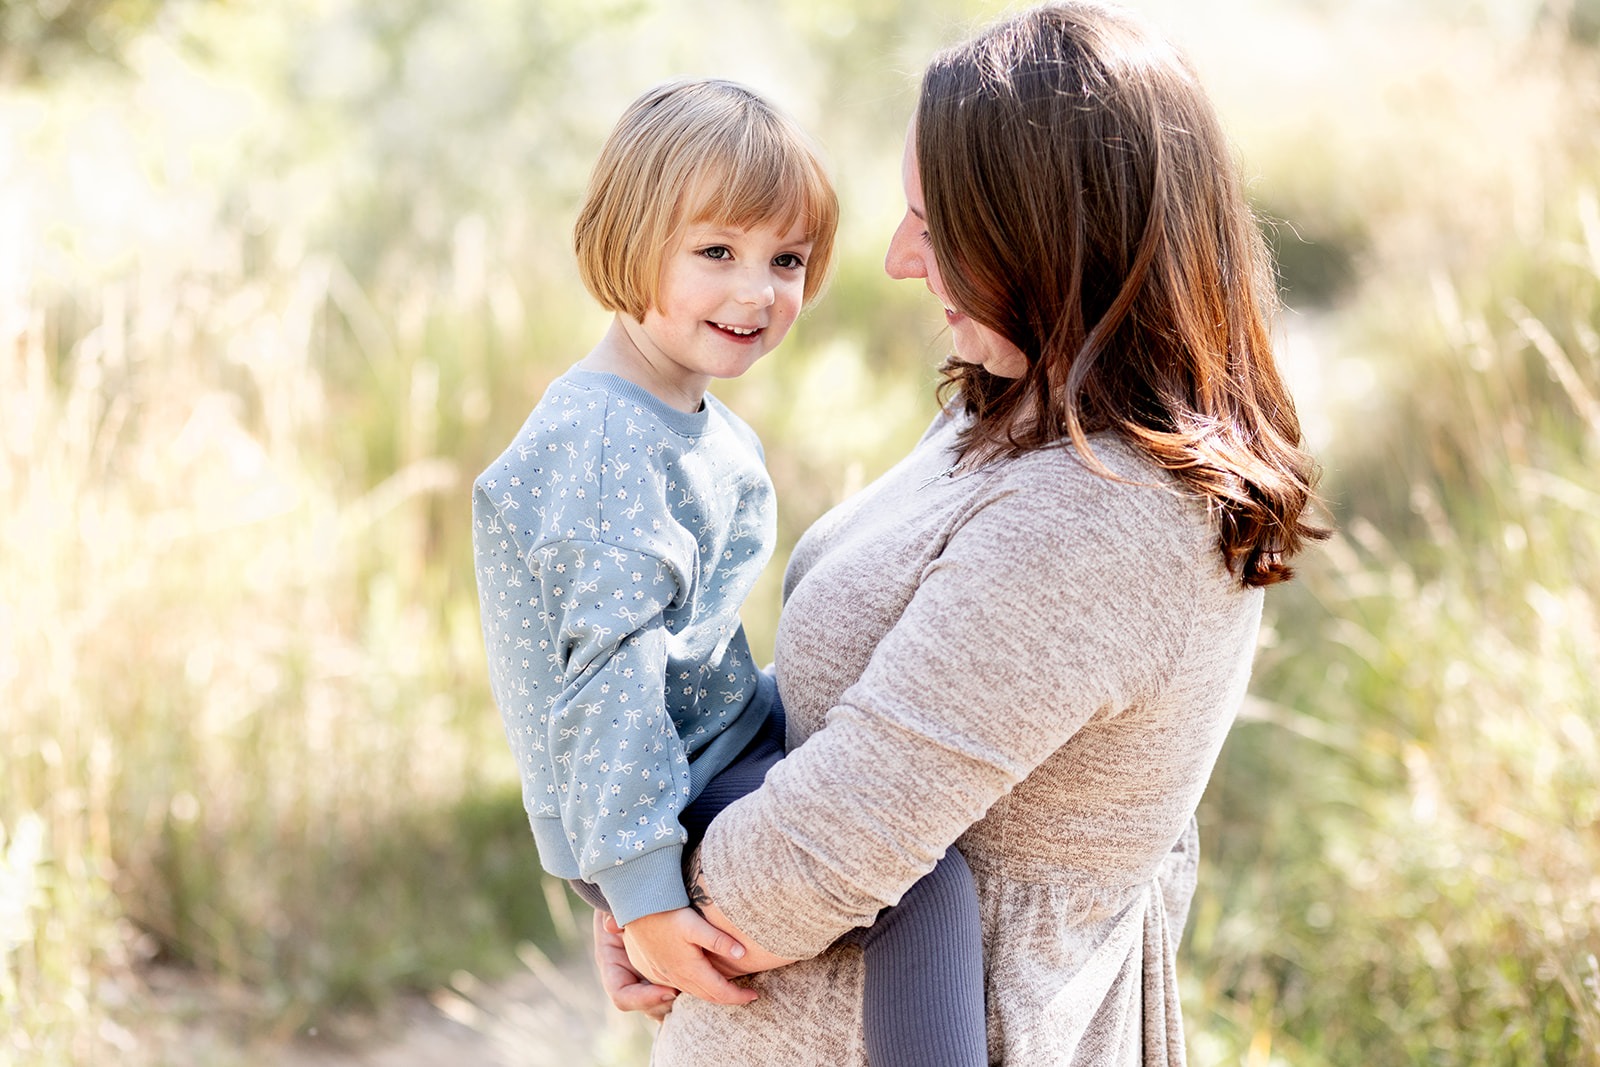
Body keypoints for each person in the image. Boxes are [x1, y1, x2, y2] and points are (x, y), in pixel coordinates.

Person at [601, 4, 1328, 1064]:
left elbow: (825, 849)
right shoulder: (1013, 401)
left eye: (936, 229)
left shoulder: (1099, 519)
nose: (898, 260)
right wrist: (636, 873)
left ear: (1053, 238)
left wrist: (647, 893)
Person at [471, 78, 989, 1067]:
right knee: (924, 881)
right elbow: (607, 679)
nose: (757, 291)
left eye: (785, 260)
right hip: (674, 779)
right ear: (630, 241)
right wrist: (640, 885)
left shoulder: (678, 416)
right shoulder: (610, 446)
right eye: (717, 252)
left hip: (703, 748)